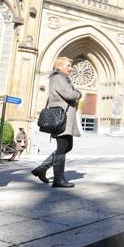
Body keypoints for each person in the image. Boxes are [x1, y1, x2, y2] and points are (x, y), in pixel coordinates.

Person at [31, 57, 82, 188]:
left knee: (67, 146)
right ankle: (58, 179)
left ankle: (42, 169)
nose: (71, 68)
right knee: (63, 146)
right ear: (59, 66)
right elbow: (69, 94)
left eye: (71, 65)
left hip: (64, 117)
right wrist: (79, 94)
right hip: (61, 118)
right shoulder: (58, 78)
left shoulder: (61, 78)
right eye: (68, 65)